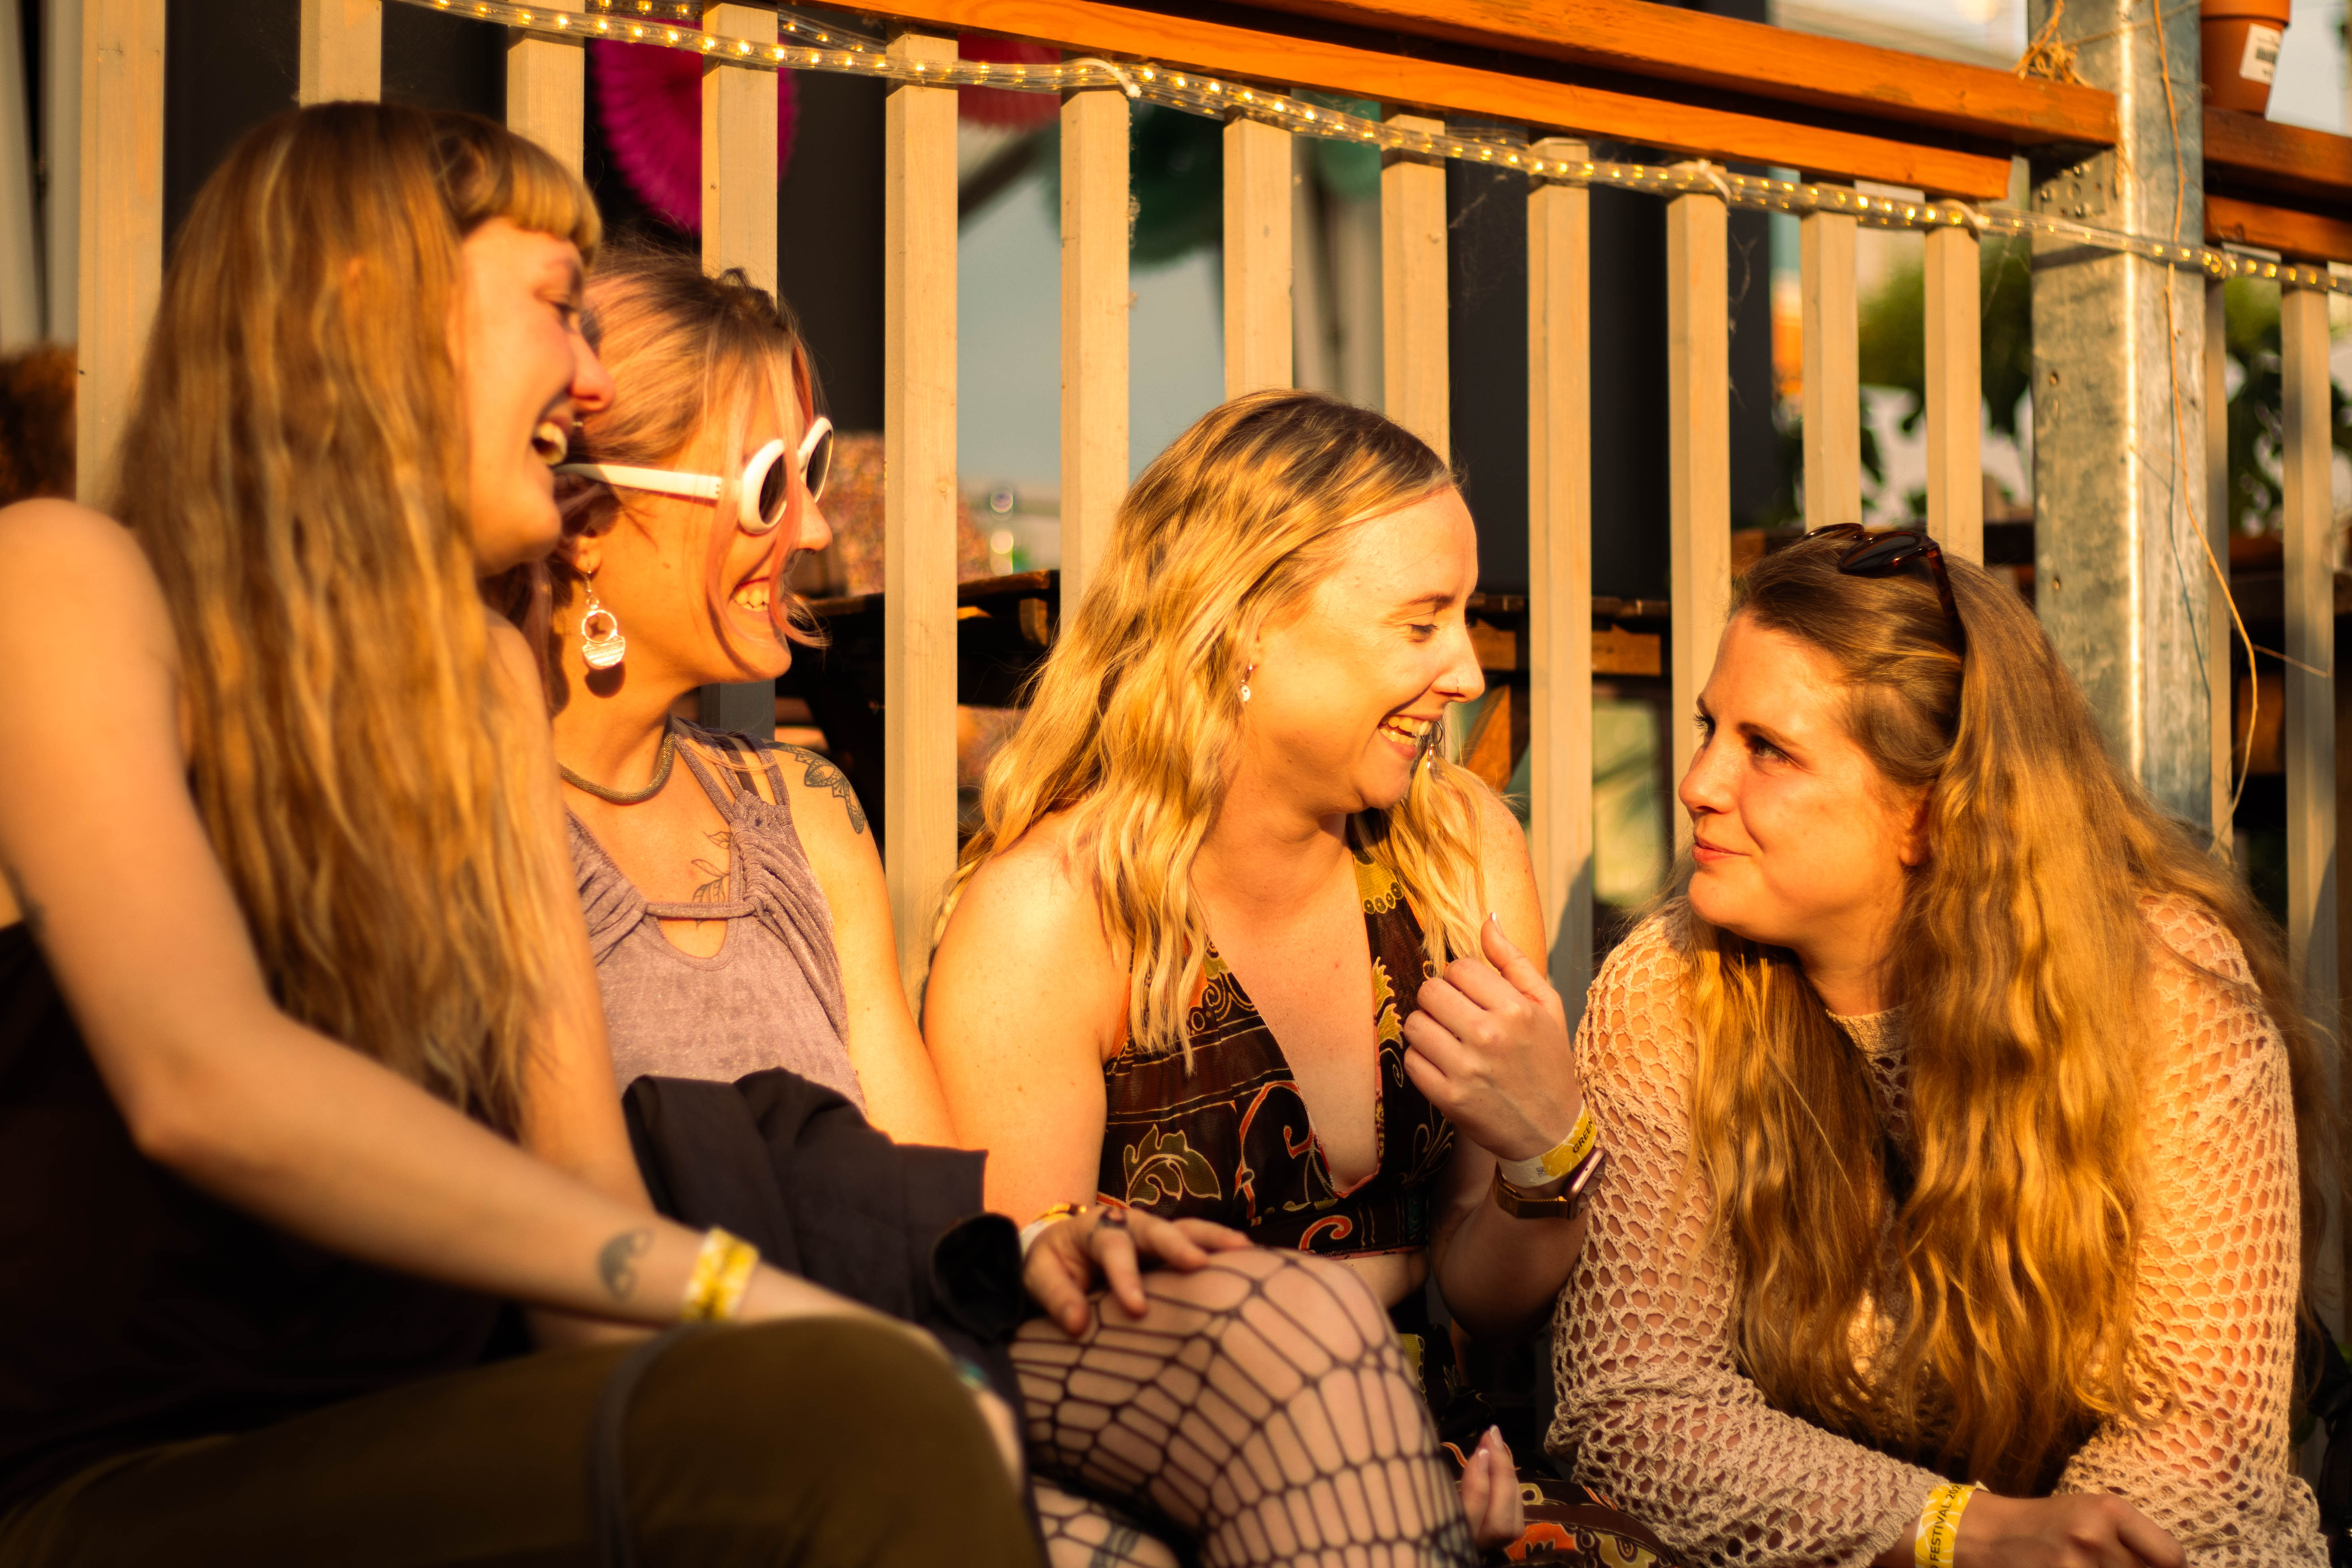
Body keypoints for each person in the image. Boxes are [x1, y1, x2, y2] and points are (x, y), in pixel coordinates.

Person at [0, 104, 1032, 1567]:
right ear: (371, 303)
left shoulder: (485, 683)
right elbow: (202, 1081)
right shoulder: (68, 583)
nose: (591, 379)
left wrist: (847, 1365)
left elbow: (578, 1205)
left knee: (889, 1411)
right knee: (868, 1414)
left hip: (427, 1442)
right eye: (558, 307)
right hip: (133, 1480)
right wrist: (761, 1308)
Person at [538, 249, 1510, 1568]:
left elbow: (932, 1201)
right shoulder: (479, 822)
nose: (813, 529)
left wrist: (1044, 1237)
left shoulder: (801, 809)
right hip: (683, 1385)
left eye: (812, 471)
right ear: (588, 520)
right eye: (768, 484)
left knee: (1287, 1363)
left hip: (890, 1347)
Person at [929, 391, 1650, 1557]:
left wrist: (1544, 1150)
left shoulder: (1456, 850)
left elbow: (1488, 1298)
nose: (1467, 671)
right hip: (1166, 1494)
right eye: (1420, 623)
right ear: (1246, 626)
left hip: (1449, 1468)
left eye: (1464, 616)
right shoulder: (1052, 915)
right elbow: (1036, 1334)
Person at [1553, 525, 2328, 1566]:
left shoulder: (2161, 988)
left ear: (1928, 810)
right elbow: (1635, 1401)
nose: (1697, 780)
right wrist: (1956, 1533)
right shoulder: (1668, 990)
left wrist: (2047, 1549)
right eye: (1710, 727)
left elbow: (2202, 1433)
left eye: (1766, 747)